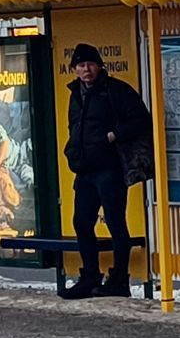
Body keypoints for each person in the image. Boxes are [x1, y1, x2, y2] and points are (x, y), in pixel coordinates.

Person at [60, 43, 152, 300]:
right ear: (75, 69)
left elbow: (141, 120)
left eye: (90, 64)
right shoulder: (75, 94)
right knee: (81, 222)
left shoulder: (116, 90)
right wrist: (72, 151)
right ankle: (90, 277)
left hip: (110, 169)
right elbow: (74, 127)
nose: (86, 69)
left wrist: (114, 135)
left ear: (100, 66)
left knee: (115, 222)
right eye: (80, 65)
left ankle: (119, 279)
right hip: (85, 170)